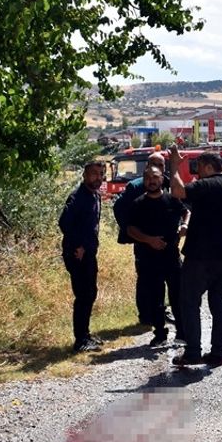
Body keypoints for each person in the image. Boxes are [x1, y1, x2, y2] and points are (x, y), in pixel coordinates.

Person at [168, 145, 222, 368]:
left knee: (189, 302)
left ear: (209, 167)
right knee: (219, 304)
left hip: (200, 258)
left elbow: (177, 191)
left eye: (198, 168)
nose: (197, 173)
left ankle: (193, 353)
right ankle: (218, 353)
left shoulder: (207, 184)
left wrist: (174, 166)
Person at [127, 166, 189, 346]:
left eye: (155, 177)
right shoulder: (138, 204)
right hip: (149, 259)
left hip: (171, 257)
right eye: (147, 178)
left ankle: (182, 333)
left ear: (162, 179)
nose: (151, 181)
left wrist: (184, 225)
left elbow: (187, 212)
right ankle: (160, 334)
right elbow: (130, 229)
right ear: (144, 181)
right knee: (155, 298)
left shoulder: (172, 200)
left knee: (178, 296)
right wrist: (149, 240)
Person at [113, 151, 169, 325]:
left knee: (163, 278)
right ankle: (145, 315)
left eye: (161, 165)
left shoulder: (168, 183)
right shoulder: (136, 186)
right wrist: (131, 231)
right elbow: (119, 208)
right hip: (144, 242)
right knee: (145, 278)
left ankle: (160, 311)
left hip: (165, 242)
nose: (157, 168)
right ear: (146, 166)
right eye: (154, 164)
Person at [58, 161, 105, 353]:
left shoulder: (95, 195)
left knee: (90, 293)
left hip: (89, 252)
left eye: (101, 174)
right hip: (77, 254)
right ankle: (80, 341)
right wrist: (78, 245)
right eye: (94, 173)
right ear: (85, 175)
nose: (98, 177)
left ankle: (85, 334)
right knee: (84, 295)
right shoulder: (78, 197)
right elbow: (64, 223)